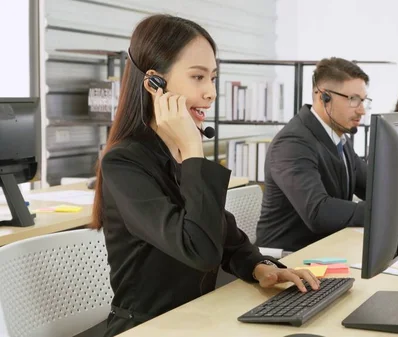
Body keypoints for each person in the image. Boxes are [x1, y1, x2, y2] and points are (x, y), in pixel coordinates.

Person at [90, 14, 318, 337]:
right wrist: (193, 151)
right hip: (148, 329)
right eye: (198, 77)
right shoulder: (124, 164)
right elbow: (199, 249)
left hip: (198, 320)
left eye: (212, 78)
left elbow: (220, 233)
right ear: (155, 84)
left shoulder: (177, 150)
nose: (211, 92)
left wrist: (258, 266)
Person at [255, 57, 370, 252]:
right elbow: (318, 212)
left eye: (363, 100)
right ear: (323, 97)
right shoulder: (292, 143)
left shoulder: (339, 138)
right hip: (288, 260)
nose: (361, 110)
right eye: (353, 99)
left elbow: (371, 185)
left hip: (326, 249)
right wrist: (385, 212)